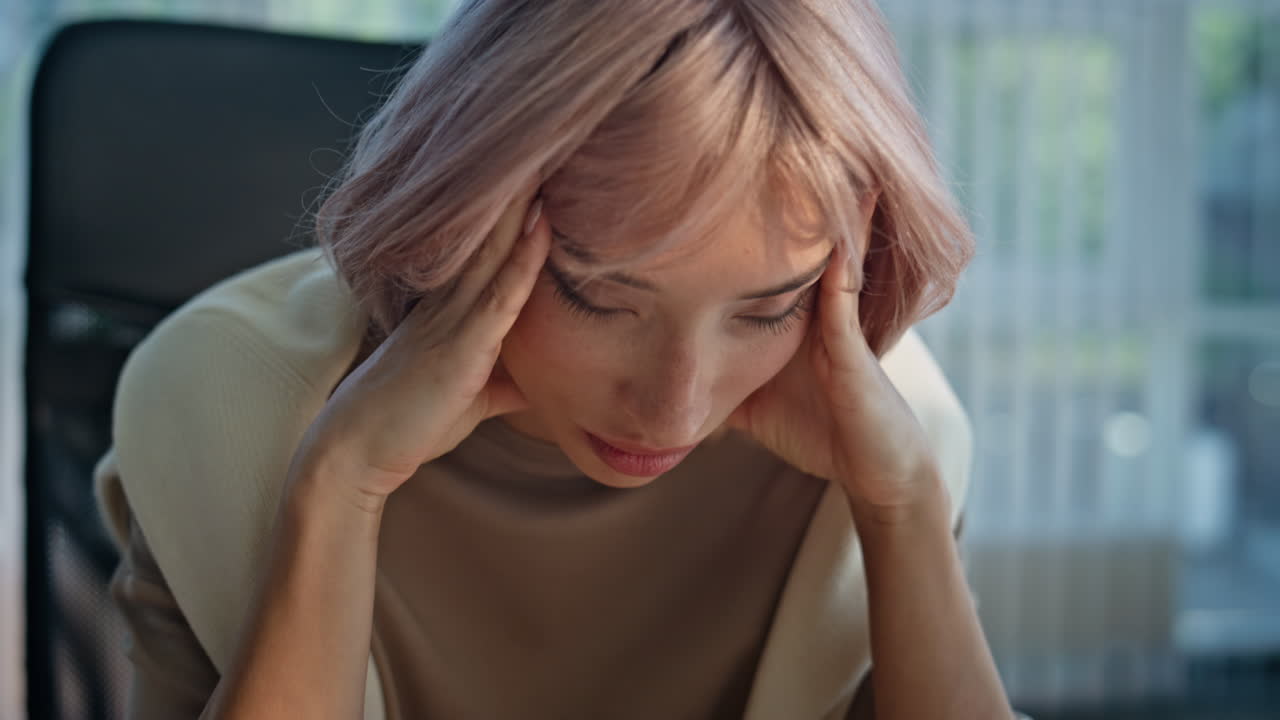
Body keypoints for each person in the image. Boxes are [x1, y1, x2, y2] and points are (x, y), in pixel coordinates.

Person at [96, 0, 1015, 718]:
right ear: (459, 216)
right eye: (598, 298)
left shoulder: (884, 439)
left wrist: (903, 512)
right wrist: (340, 486)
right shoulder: (224, 400)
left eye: (767, 311)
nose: (675, 410)